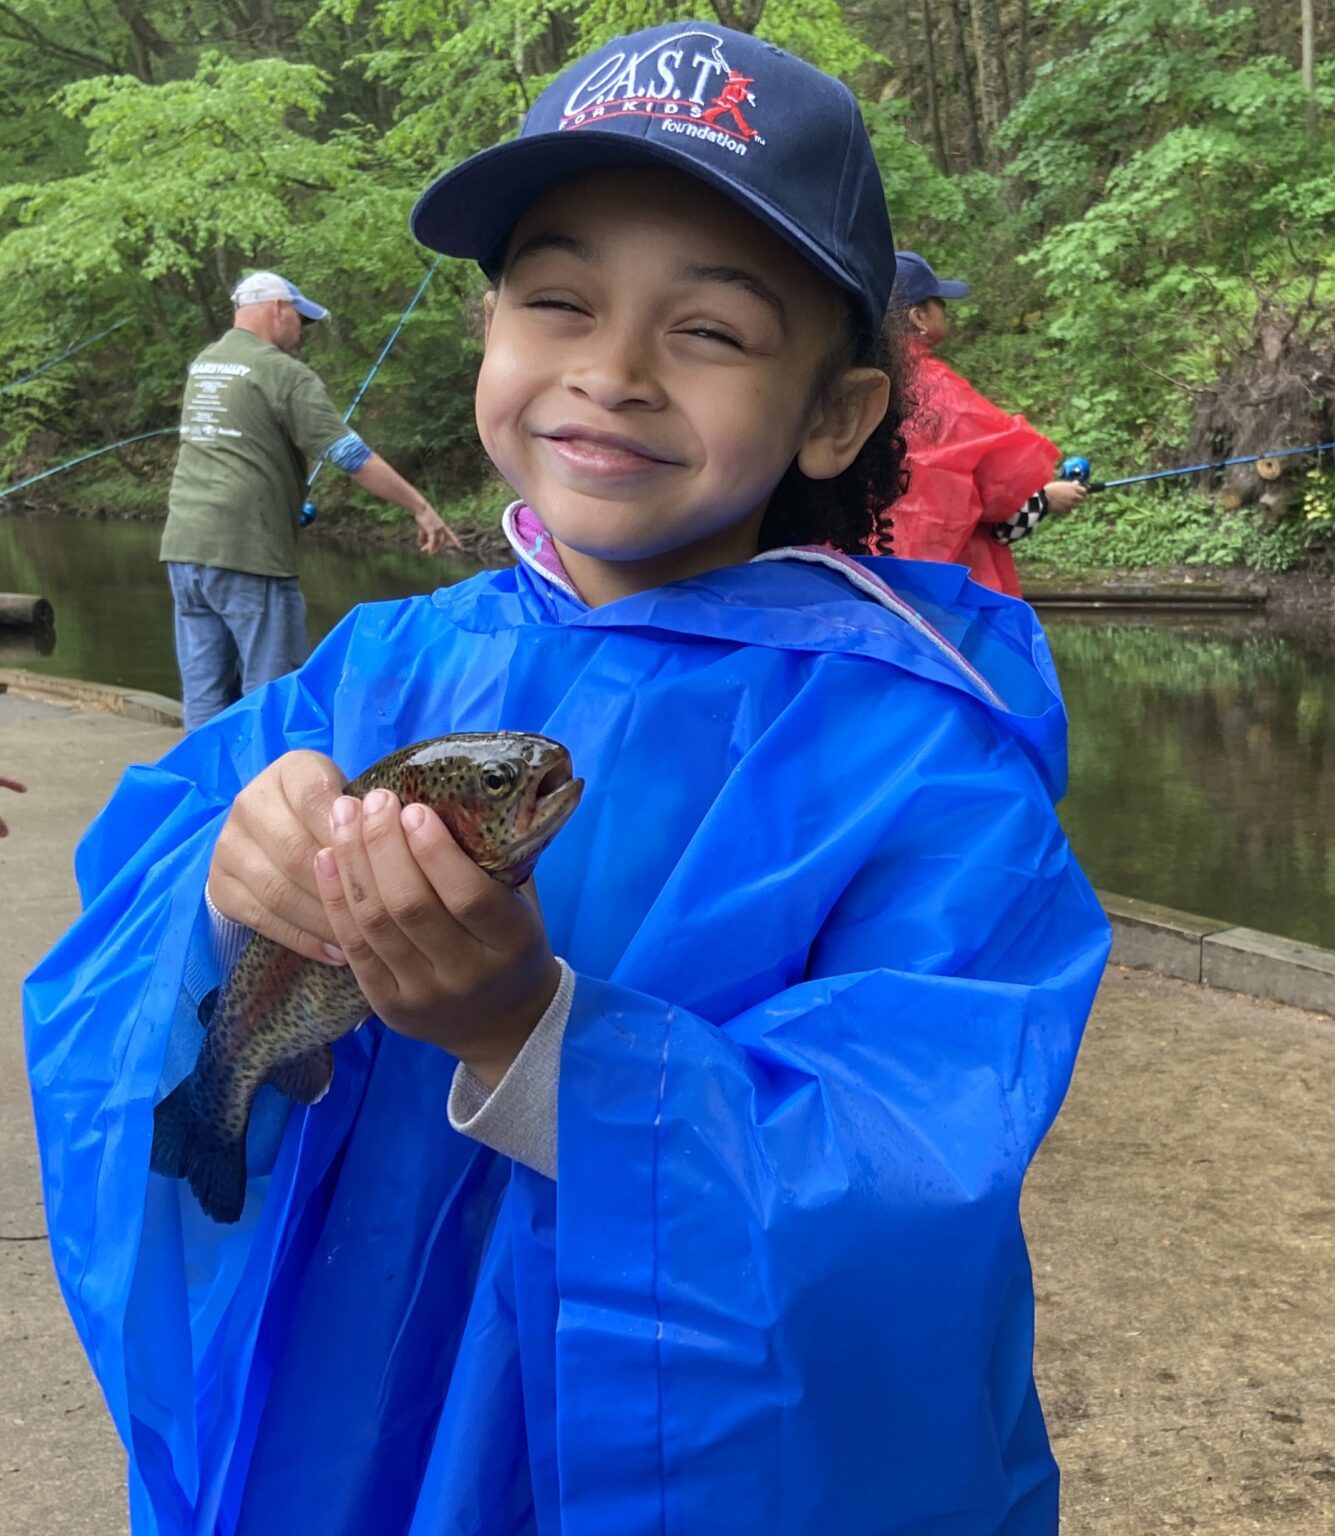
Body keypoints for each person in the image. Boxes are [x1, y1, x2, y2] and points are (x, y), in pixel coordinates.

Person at [25, 21, 1108, 1536]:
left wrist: (536, 1038)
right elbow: (118, 935)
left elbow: (903, 1172)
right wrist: (223, 885)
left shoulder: (925, 753)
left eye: (711, 331)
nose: (610, 371)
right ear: (488, 329)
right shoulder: (376, 662)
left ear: (837, 412)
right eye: (556, 301)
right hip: (348, 1423)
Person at [161, 270, 462, 730]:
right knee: (275, 697)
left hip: (184, 549)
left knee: (204, 698)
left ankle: (205, 798)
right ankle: (268, 796)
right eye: (300, 317)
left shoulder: (205, 364)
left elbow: (231, 448)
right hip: (249, 553)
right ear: (279, 309)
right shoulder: (282, 371)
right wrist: (420, 506)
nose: (301, 330)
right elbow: (349, 454)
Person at [888, 251, 1089, 597]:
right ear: (918, 316)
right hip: (940, 598)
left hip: (865, 585)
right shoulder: (942, 394)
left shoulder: (854, 385)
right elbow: (1004, 517)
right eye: (939, 303)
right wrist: (1045, 499)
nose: (945, 310)